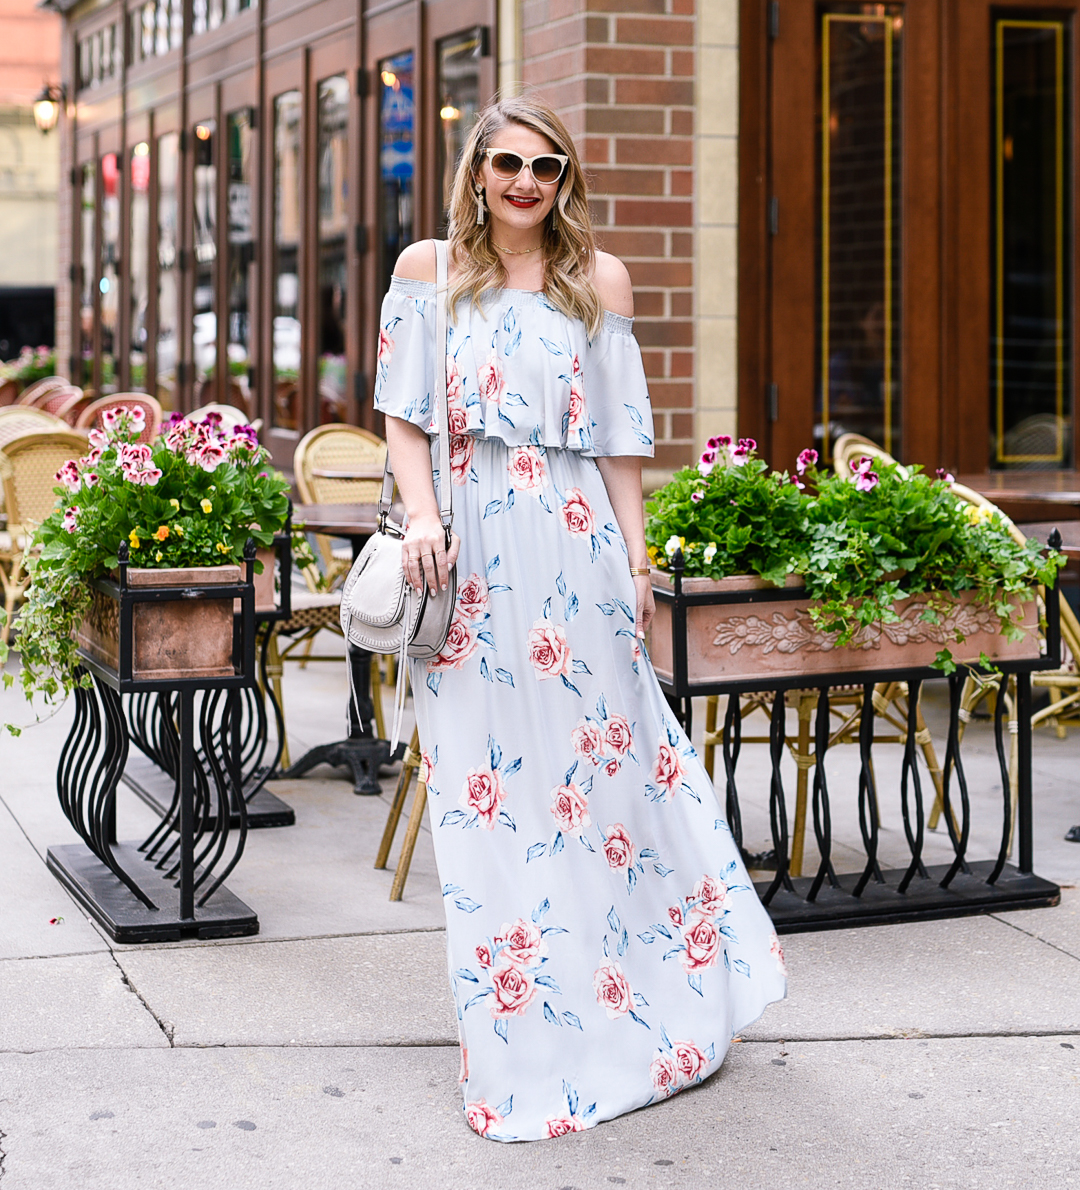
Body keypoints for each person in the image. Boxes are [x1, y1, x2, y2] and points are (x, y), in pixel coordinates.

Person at [375, 96, 786, 1142]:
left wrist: (637, 562)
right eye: (506, 163)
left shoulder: (596, 282)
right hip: (467, 555)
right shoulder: (427, 271)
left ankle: (664, 1000)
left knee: (611, 777)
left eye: (545, 167)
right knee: (492, 800)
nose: (524, 182)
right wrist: (422, 515)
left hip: (576, 548)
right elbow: (404, 417)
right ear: (476, 172)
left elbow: (621, 445)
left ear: (565, 180)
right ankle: (529, 1040)